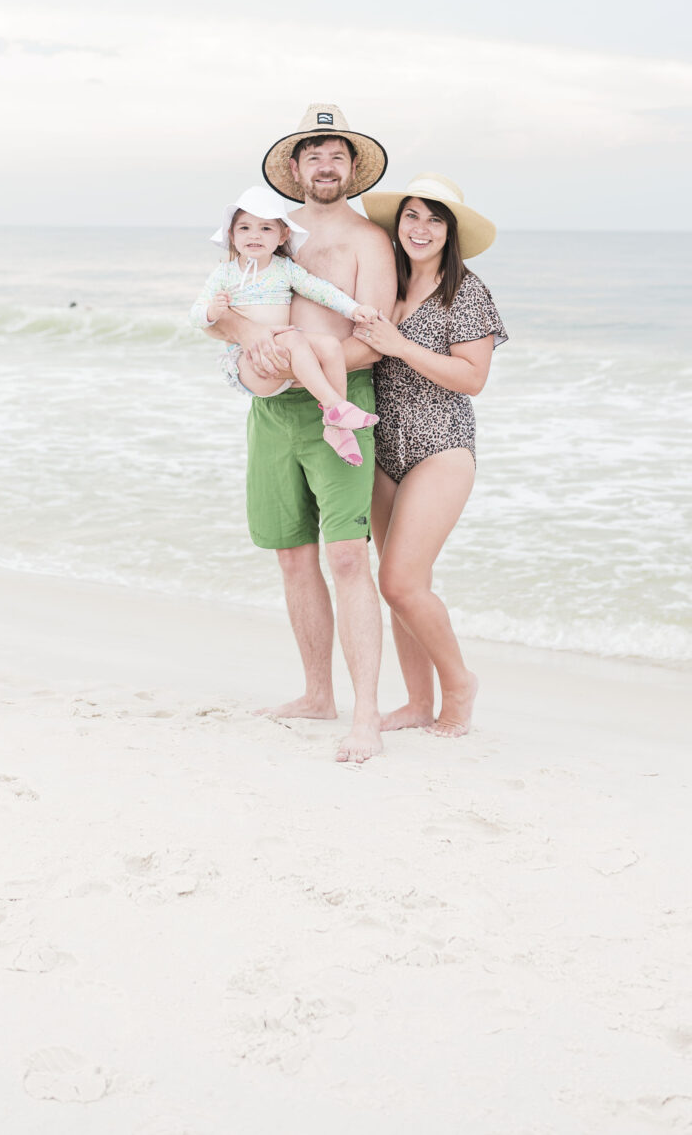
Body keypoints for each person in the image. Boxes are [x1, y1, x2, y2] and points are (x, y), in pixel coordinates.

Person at [200, 104, 397, 763]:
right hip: (271, 406)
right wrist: (260, 346)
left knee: (347, 556)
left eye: (336, 155)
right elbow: (222, 314)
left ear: (351, 167)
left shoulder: (369, 241)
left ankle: (365, 714)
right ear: (294, 166)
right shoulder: (264, 232)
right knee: (291, 555)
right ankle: (318, 694)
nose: (324, 165)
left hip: (342, 400)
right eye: (313, 154)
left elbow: (374, 337)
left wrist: (311, 364)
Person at [355, 173, 507, 737]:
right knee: (401, 585)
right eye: (412, 216)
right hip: (382, 445)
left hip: (440, 445)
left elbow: (473, 378)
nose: (421, 228)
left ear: (451, 231)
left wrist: (398, 344)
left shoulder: (464, 290)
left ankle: (459, 683)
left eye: (434, 219)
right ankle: (419, 702)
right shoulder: (384, 284)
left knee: (400, 582)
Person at [189, 185, 378, 465]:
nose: (254, 235)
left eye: (266, 228)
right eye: (245, 228)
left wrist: (355, 309)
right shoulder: (225, 274)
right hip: (247, 361)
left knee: (328, 345)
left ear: (282, 235)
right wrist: (211, 311)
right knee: (292, 339)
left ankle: (336, 428)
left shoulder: (284, 269)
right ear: (232, 235)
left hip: (284, 351)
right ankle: (336, 407)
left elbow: (320, 290)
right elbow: (194, 314)